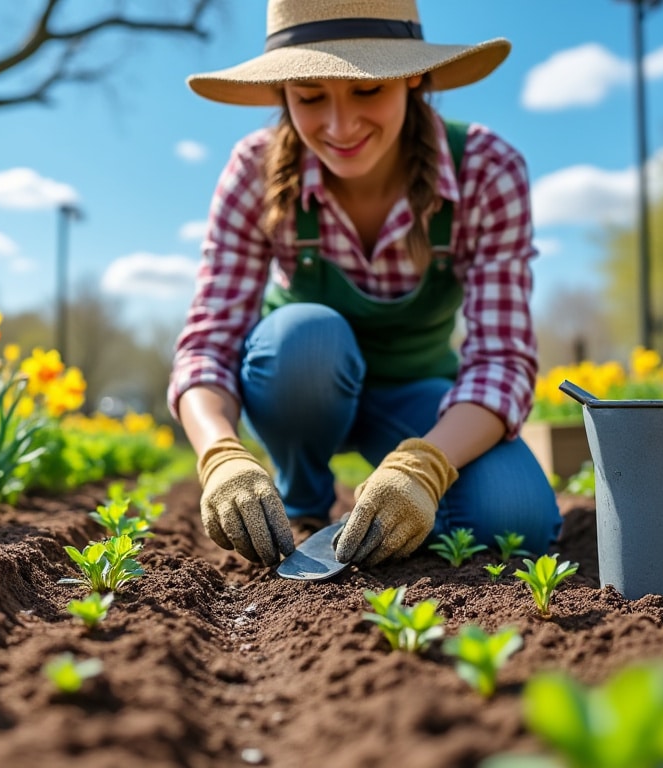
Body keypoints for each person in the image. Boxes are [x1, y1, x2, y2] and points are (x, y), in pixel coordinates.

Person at [169, 0, 562, 568]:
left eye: (368, 90)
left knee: (512, 521)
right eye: (309, 97)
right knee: (305, 338)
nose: (340, 125)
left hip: (420, 393)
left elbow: (502, 359)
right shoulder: (253, 171)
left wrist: (425, 466)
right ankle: (302, 499)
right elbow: (209, 342)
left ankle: (389, 497)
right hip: (300, 388)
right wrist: (221, 456)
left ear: (415, 79)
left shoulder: (485, 170)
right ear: (283, 95)